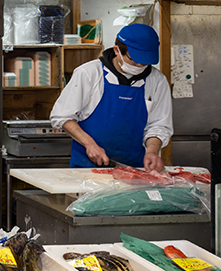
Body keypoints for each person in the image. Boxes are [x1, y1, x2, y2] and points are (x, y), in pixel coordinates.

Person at [50, 23, 173, 172]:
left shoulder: (157, 81)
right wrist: (89, 144)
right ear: (117, 50)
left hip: (136, 169)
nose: (140, 65)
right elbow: (62, 116)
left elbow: (159, 126)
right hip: (87, 168)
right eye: (133, 60)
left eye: (145, 62)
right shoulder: (89, 73)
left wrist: (152, 151)